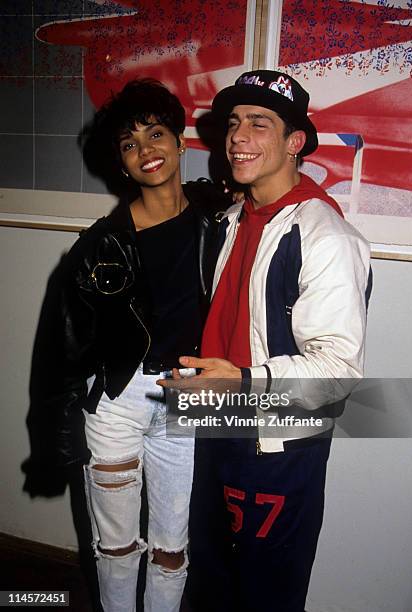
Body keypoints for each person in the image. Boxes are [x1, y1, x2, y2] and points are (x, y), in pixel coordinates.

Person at [159, 70, 372, 611]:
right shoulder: (232, 220)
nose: (237, 137)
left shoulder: (326, 235)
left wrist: (247, 379)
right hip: (216, 426)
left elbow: (339, 370)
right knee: (208, 581)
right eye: (233, 123)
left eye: (259, 123)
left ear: (294, 142)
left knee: (266, 592)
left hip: (277, 447)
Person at [26, 78, 228, 612]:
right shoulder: (99, 245)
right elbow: (60, 351)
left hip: (187, 397)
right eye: (130, 144)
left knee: (172, 549)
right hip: (119, 403)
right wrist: (53, 447)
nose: (146, 151)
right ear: (121, 163)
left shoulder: (216, 217)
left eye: (156, 134)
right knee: (114, 548)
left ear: (181, 142)